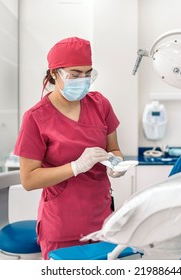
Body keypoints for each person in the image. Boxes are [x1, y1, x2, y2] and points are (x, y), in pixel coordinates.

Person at [14, 37, 126, 260]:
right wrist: (75, 167)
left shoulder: (100, 104)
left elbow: (114, 148)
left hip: (102, 219)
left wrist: (117, 163)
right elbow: (28, 180)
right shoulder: (35, 118)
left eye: (88, 73)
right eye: (75, 75)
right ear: (55, 73)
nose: (83, 80)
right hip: (61, 224)